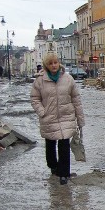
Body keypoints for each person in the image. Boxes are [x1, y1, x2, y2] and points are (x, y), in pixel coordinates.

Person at [30, 52, 85, 185]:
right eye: (50, 63)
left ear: (59, 63)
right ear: (46, 65)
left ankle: (64, 173)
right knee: (50, 144)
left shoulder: (68, 79)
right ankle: (53, 166)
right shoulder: (40, 81)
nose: (54, 65)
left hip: (66, 116)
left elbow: (76, 99)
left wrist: (80, 119)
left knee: (64, 144)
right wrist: (42, 112)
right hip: (49, 117)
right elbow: (34, 98)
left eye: (55, 62)